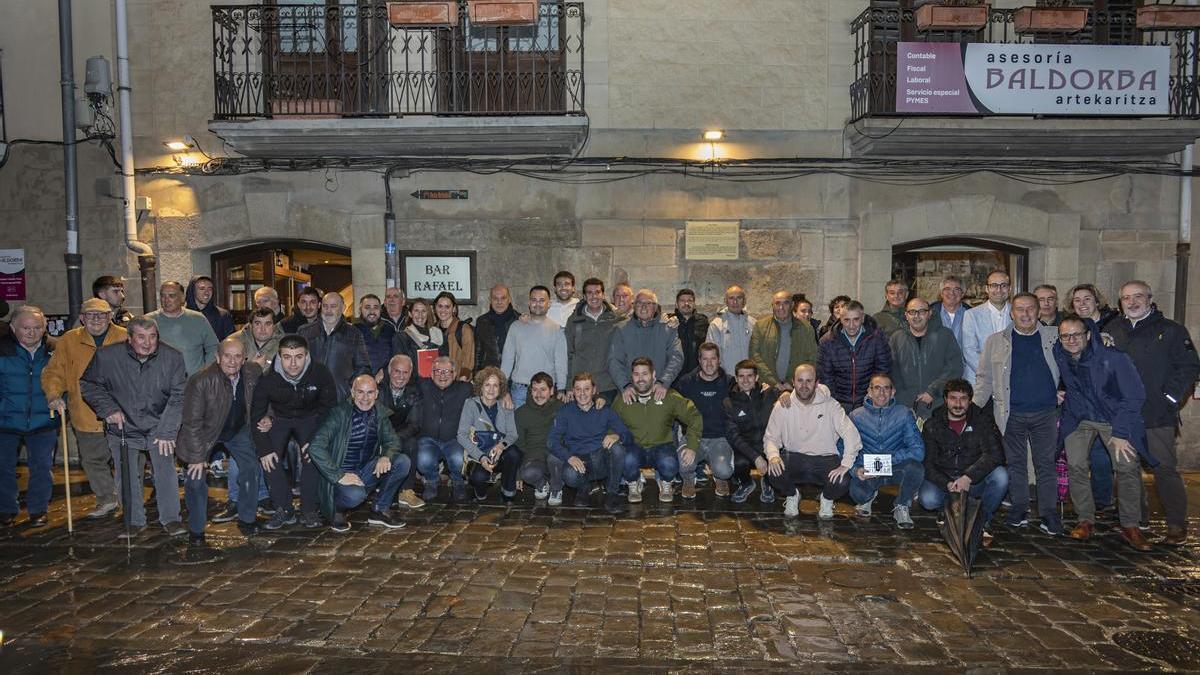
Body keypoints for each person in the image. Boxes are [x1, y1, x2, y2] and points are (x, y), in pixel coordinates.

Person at [1105, 280, 1200, 546]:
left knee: (1164, 469)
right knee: (1126, 471)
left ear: (1150, 299)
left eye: (1138, 297)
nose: (1132, 302)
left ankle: (1177, 525)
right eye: (1126, 298)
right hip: (1123, 416)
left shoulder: (1170, 330)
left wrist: (1169, 398)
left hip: (1157, 416)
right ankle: (1134, 522)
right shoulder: (1113, 330)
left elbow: (1190, 366)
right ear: (1120, 302)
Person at [80, 316, 188, 537]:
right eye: (141, 337)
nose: (147, 343)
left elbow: (179, 396)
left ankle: (171, 519)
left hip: (158, 424)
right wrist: (108, 409)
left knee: (165, 472)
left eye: (152, 337)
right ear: (129, 338)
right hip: (123, 425)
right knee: (126, 474)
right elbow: (89, 384)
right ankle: (134, 520)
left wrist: (168, 431)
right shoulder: (106, 356)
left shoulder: (173, 357)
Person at [1054, 316, 1152, 551]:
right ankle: (1085, 519)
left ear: (1088, 335)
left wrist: (1119, 432)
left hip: (1113, 419)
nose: (1071, 340)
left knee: (1127, 466)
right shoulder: (1060, 354)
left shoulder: (1114, 358)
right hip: (1078, 418)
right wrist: (1055, 392)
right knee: (1076, 465)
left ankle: (1130, 524)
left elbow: (1135, 395)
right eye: (1065, 335)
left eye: (1077, 334)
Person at [974, 292, 1063, 535]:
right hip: (1009, 413)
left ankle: (1048, 513)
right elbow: (984, 379)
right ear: (1012, 313)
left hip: (1045, 413)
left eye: (1030, 309)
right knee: (1015, 464)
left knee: (1045, 464)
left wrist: (1104, 337)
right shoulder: (995, 341)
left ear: (1039, 311)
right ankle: (1019, 508)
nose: (1025, 314)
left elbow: (1081, 345)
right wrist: (971, 409)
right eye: (1020, 309)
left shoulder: (1055, 336)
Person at [42, 298, 127, 520]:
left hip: (123, 412)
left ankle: (130, 502)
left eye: (101, 315)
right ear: (82, 318)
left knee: (128, 461)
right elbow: (55, 372)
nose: (96, 319)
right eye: (90, 315)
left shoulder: (125, 336)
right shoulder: (70, 340)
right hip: (85, 412)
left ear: (110, 317)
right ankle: (107, 499)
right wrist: (54, 395)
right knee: (93, 460)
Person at [176, 338, 262, 542]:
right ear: (217, 357)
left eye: (237, 356)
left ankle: (247, 518)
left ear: (244, 359)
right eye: (227, 356)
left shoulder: (253, 373)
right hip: (205, 433)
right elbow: (192, 423)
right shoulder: (200, 381)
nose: (232, 361)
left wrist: (267, 416)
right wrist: (198, 457)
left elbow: (263, 399)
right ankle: (196, 530)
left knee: (251, 468)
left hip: (237, 429)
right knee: (196, 479)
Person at [250, 334, 338, 530]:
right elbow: (256, 417)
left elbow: (330, 410)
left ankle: (309, 508)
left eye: (298, 356)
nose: (293, 363)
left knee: (312, 454)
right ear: (279, 357)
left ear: (306, 355)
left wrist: (315, 439)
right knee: (268, 457)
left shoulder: (320, 373)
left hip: (311, 418)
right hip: (280, 418)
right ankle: (284, 507)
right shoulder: (268, 379)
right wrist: (264, 449)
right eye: (287, 357)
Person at [307, 374, 411, 532]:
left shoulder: (380, 414)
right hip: (340, 476)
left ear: (376, 394)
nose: (365, 398)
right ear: (352, 392)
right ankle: (338, 510)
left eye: (370, 392)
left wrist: (386, 456)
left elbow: (393, 441)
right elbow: (315, 446)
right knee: (355, 496)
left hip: (365, 472)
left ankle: (380, 509)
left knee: (402, 461)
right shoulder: (339, 414)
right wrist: (339, 475)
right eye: (360, 392)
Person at [763, 364, 861, 520]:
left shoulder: (831, 405)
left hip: (825, 458)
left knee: (842, 481)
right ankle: (792, 495)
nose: (804, 385)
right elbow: (771, 437)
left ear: (816, 383)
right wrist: (773, 455)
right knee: (773, 471)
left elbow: (851, 433)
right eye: (800, 380)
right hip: (794, 456)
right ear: (793, 382)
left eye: (809, 381)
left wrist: (846, 463)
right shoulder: (783, 405)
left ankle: (827, 499)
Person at [919, 378, 1009, 539]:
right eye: (953, 398)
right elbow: (928, 463)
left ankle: (983, 518)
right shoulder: (932, 425)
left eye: (963, 399)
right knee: (928, 499)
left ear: (970, 400)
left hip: (974, 480)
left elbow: (995, 455)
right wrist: (946, 483)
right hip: (946, 481)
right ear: (946, 400)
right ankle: (947, 510)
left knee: (1001, 476)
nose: (958, 404)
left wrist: (968, 477)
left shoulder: (983, 421)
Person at [614, 357, 702, 503]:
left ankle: (665, 482)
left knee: (670, 464)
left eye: (645, 374)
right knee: (626, 460)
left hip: (662, 446)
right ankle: (634, 483)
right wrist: (612, 434)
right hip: (635, 446)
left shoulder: (668, 396)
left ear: (654, 375)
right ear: (631, 376)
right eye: (636, 374)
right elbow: (609, 422)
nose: (640, 379)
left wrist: (692, 445)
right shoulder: (623, 399)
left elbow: (694, 416)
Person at [0, 306, 56, 527]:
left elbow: (65, 379)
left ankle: (38, 509)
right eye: (26, 328)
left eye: (37, 328)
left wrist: (61, 397)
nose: (31, 333)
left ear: (44, 329)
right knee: (4, 467)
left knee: (42, 467)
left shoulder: (54, 350)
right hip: (6, 419)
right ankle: (6, 509)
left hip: (43, 420)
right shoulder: (2, 350)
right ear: (13, 328)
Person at [847, 374, 925, 529]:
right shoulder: (856, 416)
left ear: (893, 392)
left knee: (916, 468)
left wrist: (888, 460)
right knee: (858, 494)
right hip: (868, 470)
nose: (881, 393)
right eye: (877, 388)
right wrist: (855, 470)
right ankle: (868, 497)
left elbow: (918, 450)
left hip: (895, 468)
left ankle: (902, 505)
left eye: (886, 388)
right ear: (869, 391)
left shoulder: (904, 413)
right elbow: (843, 448)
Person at [1067, 282, 1119, 511]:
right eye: (1077, 300)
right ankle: (1087, 507)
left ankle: (1103, 501)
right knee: (1078, 459)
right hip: (1080, 402)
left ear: (1097, 301)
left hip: (1107, 403)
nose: (1082, 304)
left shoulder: (1115, 326)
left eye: (1087, 299)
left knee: (1102, 456)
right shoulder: (1071, 327)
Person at [549, 372, 631, 513]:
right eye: (578, 389)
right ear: (573, 391)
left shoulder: (605, 410)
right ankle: (584, 489)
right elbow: (552, 441)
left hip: (601, 458)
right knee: (569, 475)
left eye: (586, 389)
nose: (582, 393)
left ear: (594, 390)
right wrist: (569, 457)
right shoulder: (565, 412)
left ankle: (612, 493)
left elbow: (627, 435)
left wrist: (616, 436)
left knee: (617, 449)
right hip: (580, 461)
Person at [672, 342, 735, 498]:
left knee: (725, 470)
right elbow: (672, 405)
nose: (709, 363)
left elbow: (748, 392)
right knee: (683, 463)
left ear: (719, 360)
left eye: (713, 359)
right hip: (694, 438)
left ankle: (719, 478)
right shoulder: (686, 382)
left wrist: (765, 388)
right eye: (705, 359)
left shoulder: (729, 382)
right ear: (699, 360)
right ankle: (688, 479)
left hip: (720, 438)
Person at [889, 297, 962, 421]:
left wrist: (932, 391)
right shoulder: (896, 338)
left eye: (922, 311)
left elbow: (955, 368)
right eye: (912, 312)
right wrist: (905, 400)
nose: (916, 316)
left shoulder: (945, 335)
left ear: (930, 313)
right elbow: (892, 372)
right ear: (906, 315)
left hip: (938, 405)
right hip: (906, 408)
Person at [608, 289, 685, 403]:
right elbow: (614, 360)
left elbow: (676, 357)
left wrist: (663, 382)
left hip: (659, 393)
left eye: (648, 303)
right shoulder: (621, 329)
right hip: (631, 394)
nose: (643, 307)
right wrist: (625, 386)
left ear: (655, 307)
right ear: (634, 306)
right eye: (639, 303)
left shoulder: (668, 329)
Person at [458, 367, 522, 501]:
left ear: (501, 388)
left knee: (514, 453)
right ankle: (480, 491)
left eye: (495, 385)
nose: (491, 389)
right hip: (479, 454)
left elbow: (513, 434)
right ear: (480, 387)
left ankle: (508, 491)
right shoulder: (470, 404)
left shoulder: (505, 405)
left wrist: (501, 446)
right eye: (487, 385)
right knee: (478, 478)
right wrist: (481, 457)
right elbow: (461, 435)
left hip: (499, 453)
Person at [415, 356, 473, 502]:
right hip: (428, 438)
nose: (442, 375)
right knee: (423, 460)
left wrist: (505, 395)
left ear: (454, 374)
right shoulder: (424, 385)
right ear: (431, 374)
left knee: (459, 460)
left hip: (454, 439)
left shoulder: (465, 388)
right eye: (438, 371)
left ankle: (458, 483)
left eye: (447, 372)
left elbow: (488, 388)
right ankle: (432, 481)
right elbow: (401, 374)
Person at [817, 300, 892, 412]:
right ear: (840, 319)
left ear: (862, 318)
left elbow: (883, 370)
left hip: (869, 402)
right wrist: (833, 403)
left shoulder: (877, 338)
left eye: (856, 320)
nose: (851, 325)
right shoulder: (827, 342)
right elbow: (826, 376)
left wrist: (872, 397)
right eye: (846, 320)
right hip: (838, 403)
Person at [724, 359, 780, 504]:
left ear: (756, 378)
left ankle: (768, 483)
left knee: (779, 458)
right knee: (738, 462)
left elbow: (792, 394)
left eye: (749, 376)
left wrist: (785, 393)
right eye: (741, 376)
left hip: (768, 445)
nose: (745, 380)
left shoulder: (768, 393)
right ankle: (746, 483)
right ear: (736, 378)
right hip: (745, 448)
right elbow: (733, 436)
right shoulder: (729, 402)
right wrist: (755, 457)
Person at [502, 286, 568, 408]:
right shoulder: (516, 327)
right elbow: (507, 360)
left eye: (542, 300)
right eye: (534, 300)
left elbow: (561, 363)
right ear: (529, 302)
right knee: (517, 427)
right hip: (519, 391)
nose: (537, 304)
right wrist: (503, 389)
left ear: (549, 303)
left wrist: (561, 389)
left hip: (546, 392)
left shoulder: (557, 330)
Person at [298, 292, 372, 401]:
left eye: (333, 306)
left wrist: (348, 388)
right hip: (309, 399)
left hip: (339, 400)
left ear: (343, 308)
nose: (328, 311)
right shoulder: (304, 332)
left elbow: (363, 366)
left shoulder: (354, 333)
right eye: (325, 306)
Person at [380, 354, 425, 509]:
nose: (400, 376)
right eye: (397, 371)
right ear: (389, 371)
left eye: (405, 373)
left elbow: (415, 424)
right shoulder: (378, 388)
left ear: (410, 373)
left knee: (412, 444)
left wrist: (394, 439)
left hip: (401, 433)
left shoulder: (414, 392)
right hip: (379, 432)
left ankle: (407, 491)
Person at [566, 278, 622, 402]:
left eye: (597, 292)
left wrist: (663, 317)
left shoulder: (616, 319)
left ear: (603, 295)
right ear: (584, 296)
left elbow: (637, 317)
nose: (594, 296)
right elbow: (569, 354)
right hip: (582, 386)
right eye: (590, 293)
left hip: (608, 385)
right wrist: (569, 385)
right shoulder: (574, 321)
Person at [749, 291, 818, 391]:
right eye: (777, 303)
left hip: (796, 387)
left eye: (786, 303)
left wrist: (792, 382)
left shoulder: (806, 328)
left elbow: (812, 358)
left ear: (792, 305)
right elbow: (754, 355)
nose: (781, 307)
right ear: (772, 306)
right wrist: (773, 382)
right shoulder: (760, 326)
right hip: (767, 387)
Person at [147, 281, 219, 376]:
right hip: (160, 381)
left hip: (193, 382)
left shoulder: (198, 319)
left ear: (182, 298)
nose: (166, 300)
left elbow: (213, 346)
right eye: (163, 296)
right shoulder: (149, 321)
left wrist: (205, 371)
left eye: (171, 296)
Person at [515, 372, 564, 503]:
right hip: (535, 457)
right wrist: (518, 473)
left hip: (556, 456)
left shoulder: (561, 408)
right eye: (535, 390)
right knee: (527, 473)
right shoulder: (521, 413)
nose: (539, 394)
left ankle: (556, 488)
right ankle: (541, 484)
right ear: (530, 391)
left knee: (556, 457)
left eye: (543, 389)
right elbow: (519, 445)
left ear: (551, 390)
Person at [961, 270, 1012, 385]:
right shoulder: (971, 315)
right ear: (986, 289)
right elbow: (969, 351)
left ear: (1009, 289)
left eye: (1003, 285)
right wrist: (993, 375)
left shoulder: (1018, 313)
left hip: (1011, 380)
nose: (999, 290)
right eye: (994, 285)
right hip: (979, 382)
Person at [707, 285, 755, 374]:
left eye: (739, 298)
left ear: (744, 301)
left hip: (749, 379)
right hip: (726, 379)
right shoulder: (717, 325)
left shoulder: (753, 324)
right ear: (726, 301)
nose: (735, 301)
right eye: (731, 298)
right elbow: (712, 356)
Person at [393, 298, 444, 378]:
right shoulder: (401, 338)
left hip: (436, 382)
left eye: (423, 311)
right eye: (416, 311)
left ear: (428, 313)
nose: (420, 315)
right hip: (414, 384)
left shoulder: (438, 333)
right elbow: (400, 365)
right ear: (410, 314)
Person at [475, 284, 520, 370]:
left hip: (514, 377)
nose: (499, 302)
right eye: (495, 298)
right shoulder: (482, 321)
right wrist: (477, 376)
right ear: (490, 300)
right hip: (490, 376)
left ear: (509, 299)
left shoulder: (520, 320)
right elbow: (478, 352)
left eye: (503, 298)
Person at [433, 292, 475, 380]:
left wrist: (462, 381)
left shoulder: (463, 329)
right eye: (440, 306)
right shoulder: (433, 330)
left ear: (454, 309)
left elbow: (468, 360)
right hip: (437, 382)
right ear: (435, 308)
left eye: (447, 307)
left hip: (457, 381)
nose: (443, 310)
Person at [668, 288, 710, 377]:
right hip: (674, 375)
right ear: (676, 304)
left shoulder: (703, 321)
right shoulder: (668, 321)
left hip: (697, 374)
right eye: (682, 300)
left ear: (694, 304)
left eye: (690, 301)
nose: (686, 304)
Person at [354, 294, 395, 378]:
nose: (372, 311)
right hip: (360, 383)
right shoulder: (352, 331)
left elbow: (395, 357)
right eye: (367, 307)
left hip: (386, 383)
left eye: (376, 307)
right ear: (360, 310)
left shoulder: (390, 330)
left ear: (380, 310)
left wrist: (385, 371)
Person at [186, 275, 235, 340]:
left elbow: (230, 341)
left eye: (210, 289)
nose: (206, 293)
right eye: (202, 289)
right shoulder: (182, 314)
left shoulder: (222, 315)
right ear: (193, 291)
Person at [928, 276, 967, 346]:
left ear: (963, 294)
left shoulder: (971, 315)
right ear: (941, 293)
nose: (952, 293)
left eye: (956, 289)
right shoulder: (929, 314)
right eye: (947, 289)